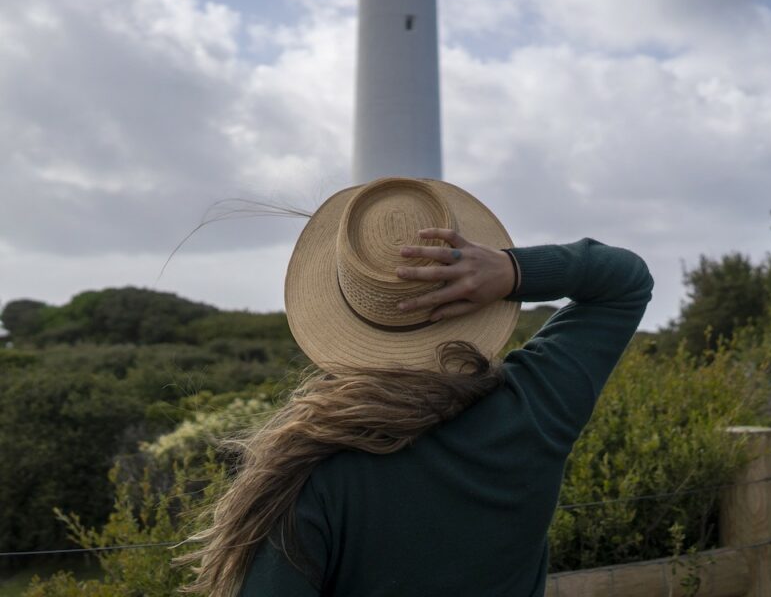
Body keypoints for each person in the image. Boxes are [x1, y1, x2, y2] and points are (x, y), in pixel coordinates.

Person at [182, 177, 653, 597]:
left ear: (336, 323)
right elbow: (625, 281)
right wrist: (513, 271)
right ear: (476, 299)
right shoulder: (532, 412)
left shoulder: (307, 475)